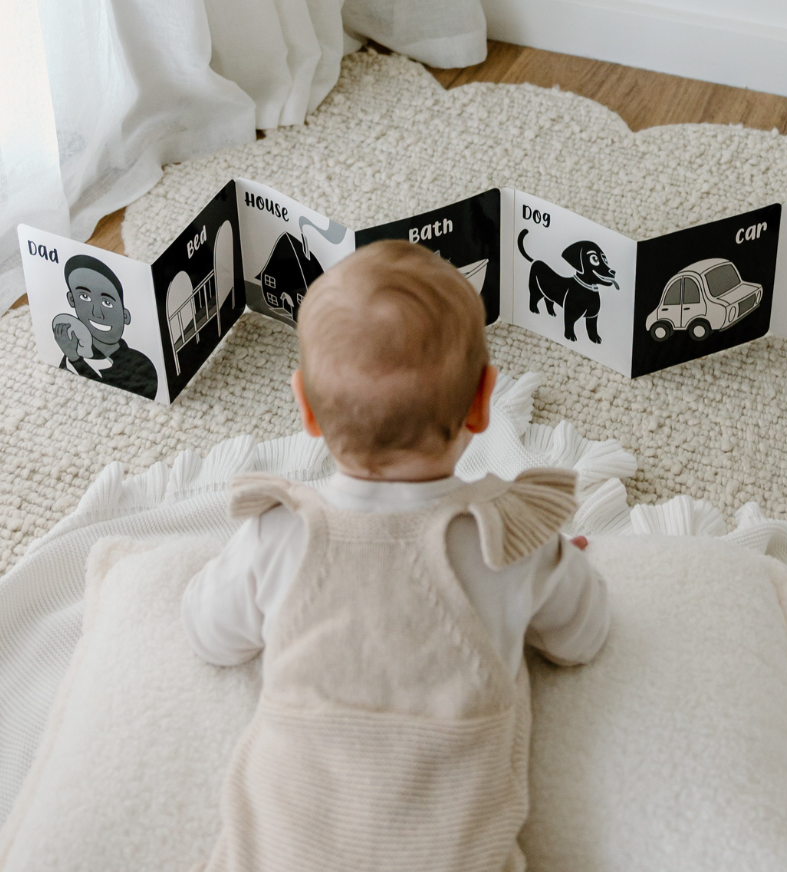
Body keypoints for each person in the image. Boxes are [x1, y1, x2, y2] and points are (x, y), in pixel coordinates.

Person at [183, 240, 610, 872]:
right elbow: (584, 636)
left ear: (306, 409)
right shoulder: (508, 539)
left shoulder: (281, 533)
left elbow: (209, 635)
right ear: (483, 400)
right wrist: (555, 565)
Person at [53, 254, 158, 399]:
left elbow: (112, 397)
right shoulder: (72, 353)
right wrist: (72, 357)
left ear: (125, 315)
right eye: (84, 297)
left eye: (107, 303)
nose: (97, 313)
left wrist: (76, 360)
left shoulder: (141, 364)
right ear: (72, 300)